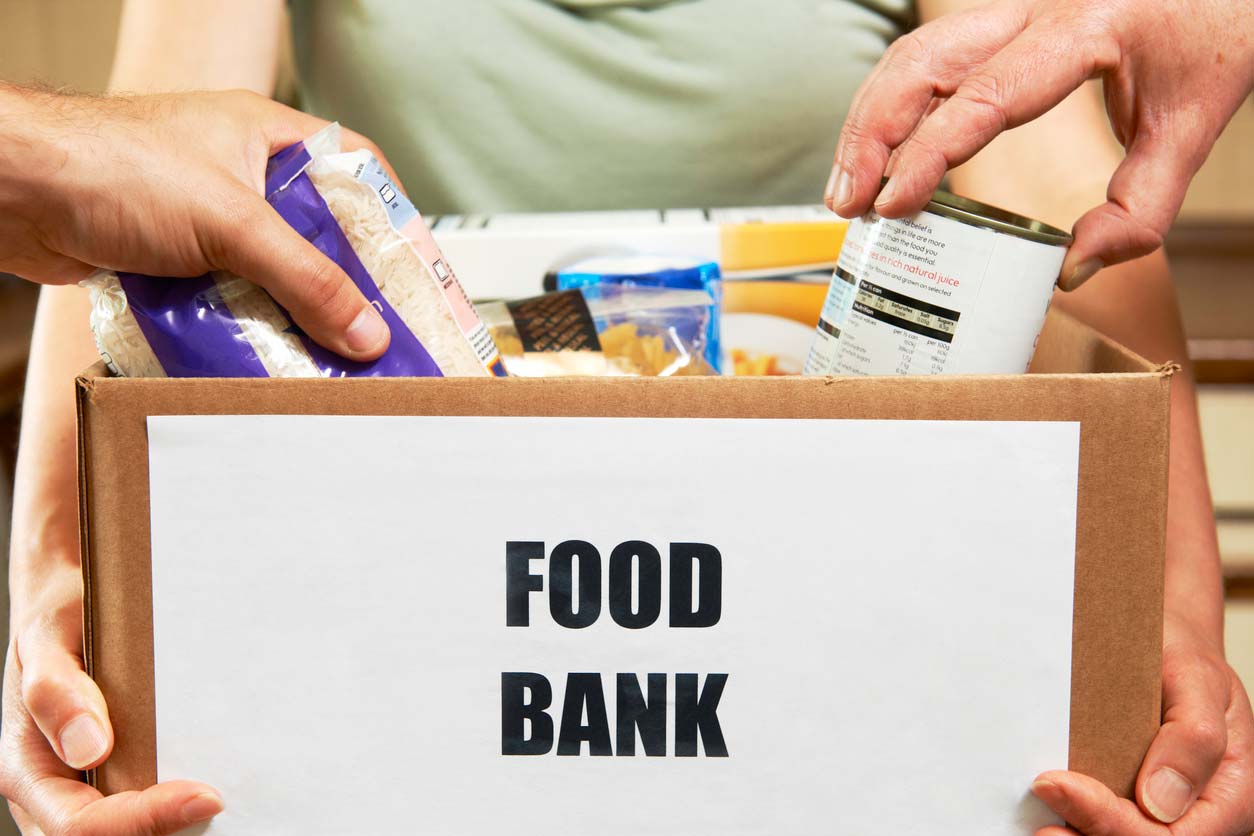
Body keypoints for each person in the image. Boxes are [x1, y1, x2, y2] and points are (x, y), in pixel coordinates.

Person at [2, 3, 1251, 836]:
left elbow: (1073, 212)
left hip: (821, 578)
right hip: (416, 577)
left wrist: (1172, 633)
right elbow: (146, 181)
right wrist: (67, 574)